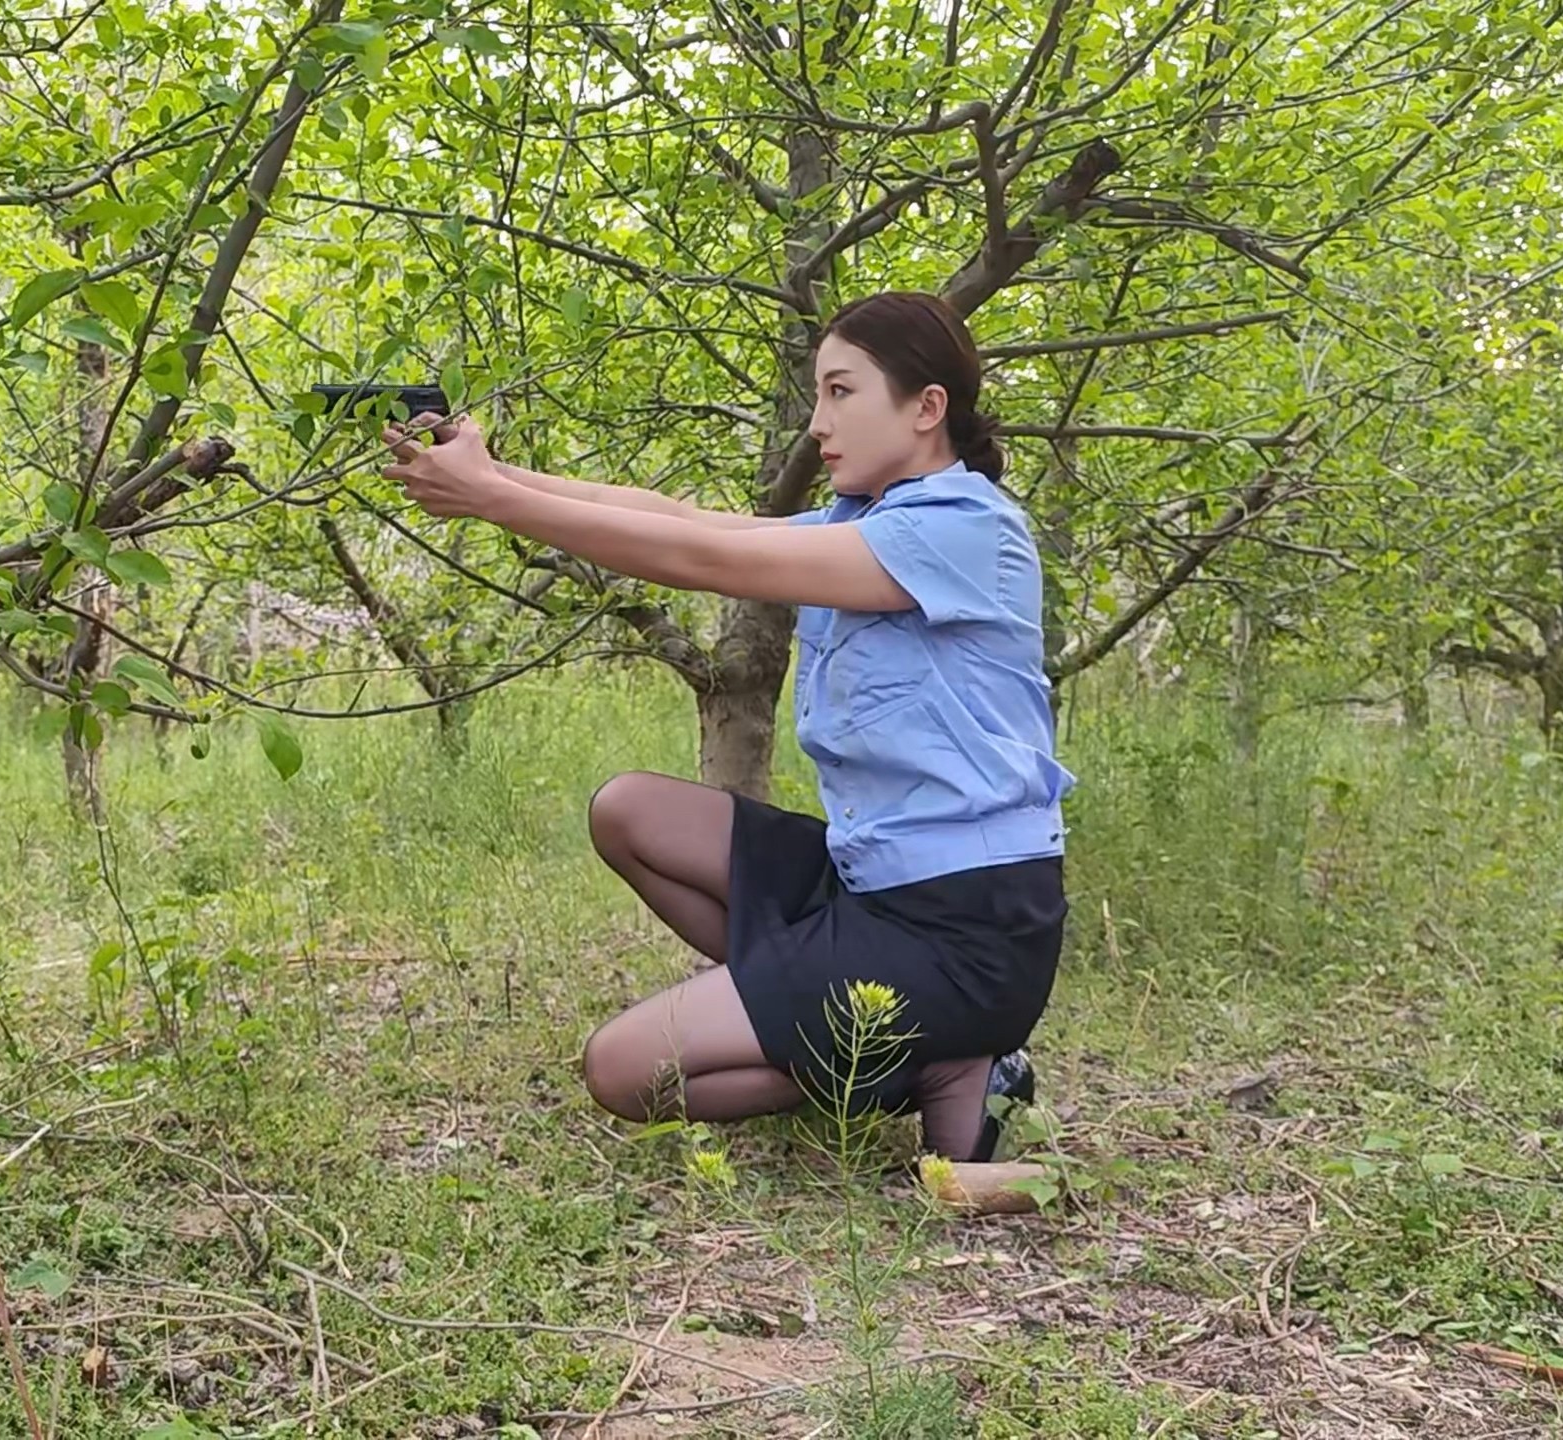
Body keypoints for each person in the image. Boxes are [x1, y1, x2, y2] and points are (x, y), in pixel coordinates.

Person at [381, 290, 1071, 1167]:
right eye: (817, 394)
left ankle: (932, 1060)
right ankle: (853, 1020)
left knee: (624, 1069)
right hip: (867, 885)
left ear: (926, 407)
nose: (818, 423)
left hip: (962, 923)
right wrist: (494, 477)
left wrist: (490, 501)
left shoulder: (963, 531)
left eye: (842, 391)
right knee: (630, 811)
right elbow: (685, 520)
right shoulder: (867, 522)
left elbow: (705, 558)